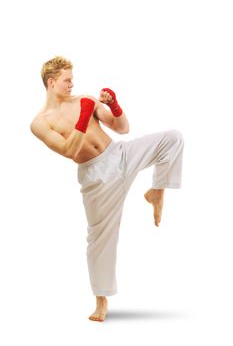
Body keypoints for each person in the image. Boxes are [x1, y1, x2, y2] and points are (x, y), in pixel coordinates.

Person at [30, 56, 184, 322]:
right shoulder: (40, 123)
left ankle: (157, 190)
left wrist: (114, 105)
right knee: (99, 241)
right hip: (96, 176)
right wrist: (83, 117)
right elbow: (69, 150)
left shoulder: (84, 100)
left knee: (173, 138)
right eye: (67, 80)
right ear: (51, 82)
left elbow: (123, 128)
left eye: (72, 79)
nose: (72, 84)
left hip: (120, 153)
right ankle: (101, 301)